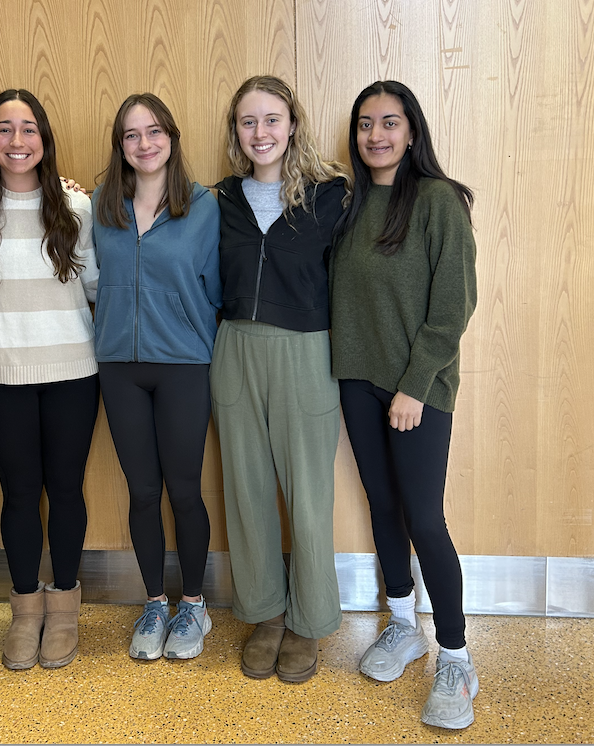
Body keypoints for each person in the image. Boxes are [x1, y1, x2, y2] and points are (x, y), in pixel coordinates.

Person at [329, 80, 478, 729]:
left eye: (390, 123)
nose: (376, 135)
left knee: (424, 516)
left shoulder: (440, 201)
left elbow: (453, 306)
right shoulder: (350, 203)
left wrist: (415, 386)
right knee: (382, 507)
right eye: (366, 124)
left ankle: (455, 656)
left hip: (419, 388)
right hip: (357, 381)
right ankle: (401, 625)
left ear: (412, 131)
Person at [0, 89, 98, 671]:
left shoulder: (75, 207)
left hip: (72, 369)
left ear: (45, 140)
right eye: (5, 130)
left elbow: (92, 284)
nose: (18, 141)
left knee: (65, 489)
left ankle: (64, 609)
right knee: (18, 493)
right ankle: (25, 611)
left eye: (29, 129)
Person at [210, 75, 350, 683]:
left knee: (309, 496)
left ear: (292, 124)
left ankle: (309, 620)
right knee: (245, 488)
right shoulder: (217, 199)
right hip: (235, 348)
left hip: (307, 352)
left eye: (271, 119)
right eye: (248, 122)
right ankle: (265, 611)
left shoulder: (333, 195)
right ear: (236, 132)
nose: (260, 132)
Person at [91, 93, 222, 661]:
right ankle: (153, 603)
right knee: (143, 492)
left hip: (184, 367)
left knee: (185, 490)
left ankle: (193, 605)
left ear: (171, 136)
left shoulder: (203, 206)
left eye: (154, 131)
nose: (144, 144)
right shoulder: (102, 204)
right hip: (119, 367)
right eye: (131, 135)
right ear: (120, 146)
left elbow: (216, 289)